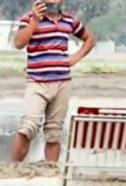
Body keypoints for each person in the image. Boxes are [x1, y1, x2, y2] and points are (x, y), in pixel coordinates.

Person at [11, 0, 95, 162]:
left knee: (54, 132)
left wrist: (74, 58)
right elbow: (19, 43)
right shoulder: (28, 18)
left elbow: (89, 39)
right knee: (29, 126)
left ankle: (51, 171)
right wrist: (35, 20)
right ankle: (12, 167)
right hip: (37, 81)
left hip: (62, 82)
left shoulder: (69, 21)